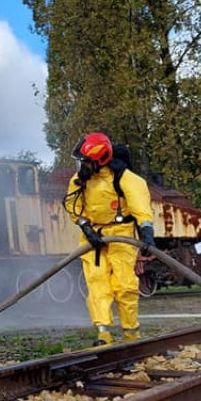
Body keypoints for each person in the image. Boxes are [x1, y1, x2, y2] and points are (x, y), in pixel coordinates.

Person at [63, 132, 155, 346]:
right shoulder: (80, 181)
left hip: (121, 235)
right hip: (93, 237)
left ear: (99, 160)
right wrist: (86, 227)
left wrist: (147, 231)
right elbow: (73, 206)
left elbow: (140, 206)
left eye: (85, 161)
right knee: (97, 284)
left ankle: (131, 334)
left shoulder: (125, 179)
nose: (81, 166)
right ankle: (103, 333)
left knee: (125, 286)